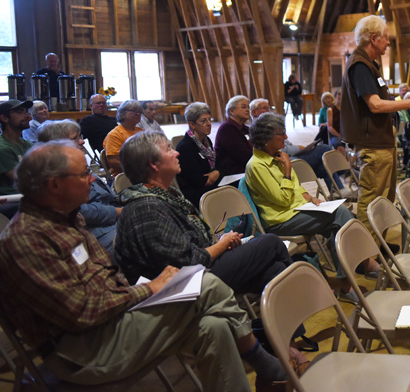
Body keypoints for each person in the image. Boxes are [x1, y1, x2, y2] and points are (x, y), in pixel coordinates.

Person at [0, 141, 287, 391]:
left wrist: (148, 292)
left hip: (114, 321)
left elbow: (106, 283)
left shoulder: (67, 218)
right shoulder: (26, 239)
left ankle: (270, 366)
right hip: (82, 351)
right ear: (55, 185)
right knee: (207, 283)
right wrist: (150, 289)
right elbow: (82, 312)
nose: (92, 179)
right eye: (85, 173)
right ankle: (270, 368)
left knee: (214, 327)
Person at [115, 132, 293, 314]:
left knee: (274, 270)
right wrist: (222, 245)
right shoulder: (147, 207)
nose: (176, 153)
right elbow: (185, 263)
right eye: (168, 149)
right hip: (183, 287)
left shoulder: (164, 196)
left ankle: (280, 338)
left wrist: (221, 243)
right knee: (270, 243)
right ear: (154, 164)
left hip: (198, 270)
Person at [245, 113, 378, 301]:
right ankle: (365, 264)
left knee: (337, 225)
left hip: (299, 211)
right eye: (281, 134)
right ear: (267, 139)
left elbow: (297, 189)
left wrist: (313, 199)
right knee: (341, 214)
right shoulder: (257, 166)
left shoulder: (278, 156)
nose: (286, 137)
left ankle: (346, 284)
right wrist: (288, 171)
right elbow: (283, 200)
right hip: (282, 220)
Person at [340, 15, 410, 221]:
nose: (388, 42)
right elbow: (375, 105)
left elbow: (382, 99)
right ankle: (366, 253)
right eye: (385, 37)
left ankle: (378, 245)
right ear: (374, 39)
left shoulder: (369, 64)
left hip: (381, 141)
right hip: (372, 144)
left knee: (384, 197)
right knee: (372, 199)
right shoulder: (360, 65)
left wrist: (408, 100)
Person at [38, 120, 120, 252]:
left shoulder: (77, 164)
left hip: (112, 223)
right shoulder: (56, 174)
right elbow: (79, 211)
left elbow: (109, 197)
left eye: (80, 137)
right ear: (58, 144)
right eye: (75, 139)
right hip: (95, 232)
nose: (82, 142)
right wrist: (119, 212)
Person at [176, 103, 222, 208]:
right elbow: (199, 181)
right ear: (192, 124)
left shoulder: (206, 140)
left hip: (210, 185)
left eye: (209, 119)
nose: (209, 123)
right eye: (203, 121)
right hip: (196, 194)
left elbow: (219, 165)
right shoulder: (185, 147)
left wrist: (216, 173)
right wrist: (216, 174)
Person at [0, 99, 33, 196]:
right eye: (20, 112)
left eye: (27, 111)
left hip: (30, 196)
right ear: (4, 118)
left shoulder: (28, 144)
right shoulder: (2, 148)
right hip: (11, 200)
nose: (27, 116)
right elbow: (24, 179)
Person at [103, 99, 144, 176]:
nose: (138, 113)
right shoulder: (114, 135)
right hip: (127, 177)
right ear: (122, 113)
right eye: (134, 111)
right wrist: (138, 169)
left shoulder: (142, 132)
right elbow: (113, 161)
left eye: (139, 111)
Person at [215, 95, 253, 176]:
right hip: (233, 174)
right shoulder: (226, 129)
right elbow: (243, 155)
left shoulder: (245, 129)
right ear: (232, 111)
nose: (247, 110)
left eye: (248, 107)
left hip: (247, 168)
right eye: (243, 107)